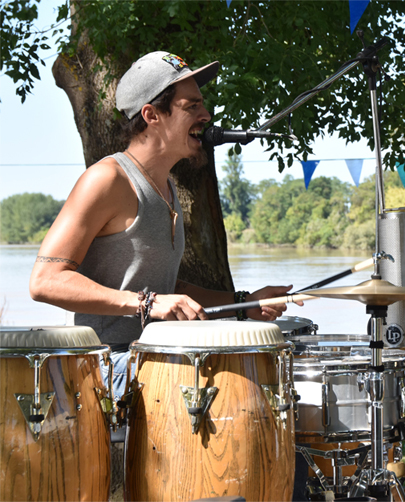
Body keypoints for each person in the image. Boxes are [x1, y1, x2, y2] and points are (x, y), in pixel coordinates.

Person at [29, 51, 297, 399]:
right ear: (152, 115)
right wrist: (145, 303)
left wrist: (242, 303)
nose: (207, 115)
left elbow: (164, 287)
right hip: (105, 370)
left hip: (153, 361)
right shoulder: (107, 180)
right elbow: (44, 281)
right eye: (192, 106)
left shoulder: (167, 187)